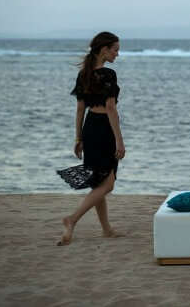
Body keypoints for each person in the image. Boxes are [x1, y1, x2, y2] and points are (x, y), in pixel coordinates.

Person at [56, 31, 125, 245]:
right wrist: (120, 141)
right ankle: (72, 219)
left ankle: (106, 229)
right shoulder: (108, 74)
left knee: (99, 182)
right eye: (115, 50)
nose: (117, 54)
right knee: (108, 184)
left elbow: (79, 109)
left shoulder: (84, 73)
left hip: (89, 128)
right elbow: (111, 108)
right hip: (104, 129)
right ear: (104, 49)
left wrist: (78, 138)